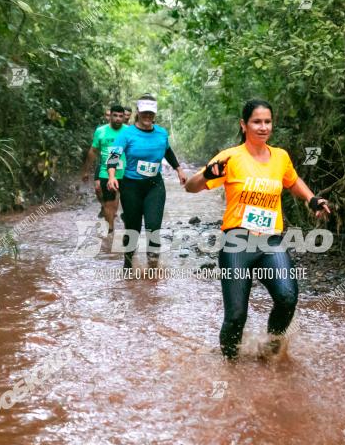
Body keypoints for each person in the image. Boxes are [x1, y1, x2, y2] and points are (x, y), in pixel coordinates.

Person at [184, 99, 331, 359]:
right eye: (256, 122)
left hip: (269, 243)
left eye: (267, 122)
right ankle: (230, 367)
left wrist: (311, 199)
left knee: (287, 297)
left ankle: (270, 350)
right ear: (244, 125)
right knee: (236, 317)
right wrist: (207, 174)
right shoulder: (230, 157)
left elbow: (293, 181)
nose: (263, 127)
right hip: (236, 243)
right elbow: (191, 187)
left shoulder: (280, 157)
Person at [106, 94, 187, 269]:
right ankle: (127, 266)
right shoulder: (127, 133)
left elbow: (168, 152)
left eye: (151, 113)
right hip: (131, 186)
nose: (148, 116)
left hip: (154, 186)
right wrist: (112, 176)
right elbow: (113, 157)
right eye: (145, 113)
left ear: (155, 113)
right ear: (138, 112)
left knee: (153, 228)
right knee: (133, 229)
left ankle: (152, 271)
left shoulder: (161, 133)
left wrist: (179, 169)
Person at [82, 105, 127, 232]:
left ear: (124, 117)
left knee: (125, 204)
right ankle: (110, 230)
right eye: (115, 115)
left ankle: (127, 232)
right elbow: (93, 151)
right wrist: (86, 170)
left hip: (125, 173)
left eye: (120, 116)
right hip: (106, 173)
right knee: (108, 203)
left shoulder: (129, 131)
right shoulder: (101, 131)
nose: (118, 119)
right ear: (110, 116)